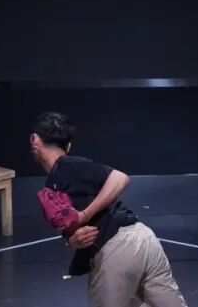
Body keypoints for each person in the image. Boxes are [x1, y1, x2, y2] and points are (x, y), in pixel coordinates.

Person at [30, 112, 188, 307]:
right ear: (68, 145)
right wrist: (71, 238)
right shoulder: (57, 180)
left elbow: (119, 178)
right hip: (144, 239)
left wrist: (85, 215)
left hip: (117, 247)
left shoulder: (68, 166)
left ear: (35, 140)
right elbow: (73, 221)